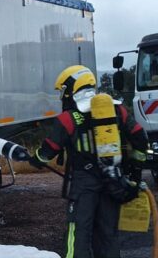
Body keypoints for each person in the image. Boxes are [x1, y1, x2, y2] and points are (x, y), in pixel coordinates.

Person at [30, 65, 148, 258]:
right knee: (108, 235)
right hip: (112, 181)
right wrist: (133, 172)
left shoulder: (68, 118)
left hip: (84, 185)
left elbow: (48, 151)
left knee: (78, 235)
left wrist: (35, 159)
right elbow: (140, 137)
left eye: (64, 92)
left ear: (72, 88)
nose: (63, 97)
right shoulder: (117, 109)